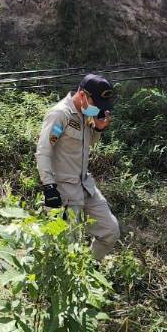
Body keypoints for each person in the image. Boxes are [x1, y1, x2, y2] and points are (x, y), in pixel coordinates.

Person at [35, 74, 120, 259]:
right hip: (63, 192)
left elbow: (87, 145)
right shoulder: (60, 115)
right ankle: (59, 282)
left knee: (110, 231)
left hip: (85, 186)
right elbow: (43, 151)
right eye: (95, 104)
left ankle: (88, 270)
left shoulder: (85, 115)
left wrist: (98, 128)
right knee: (65, 248)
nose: (98, 109)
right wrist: (49, 187)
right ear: (82, 95)